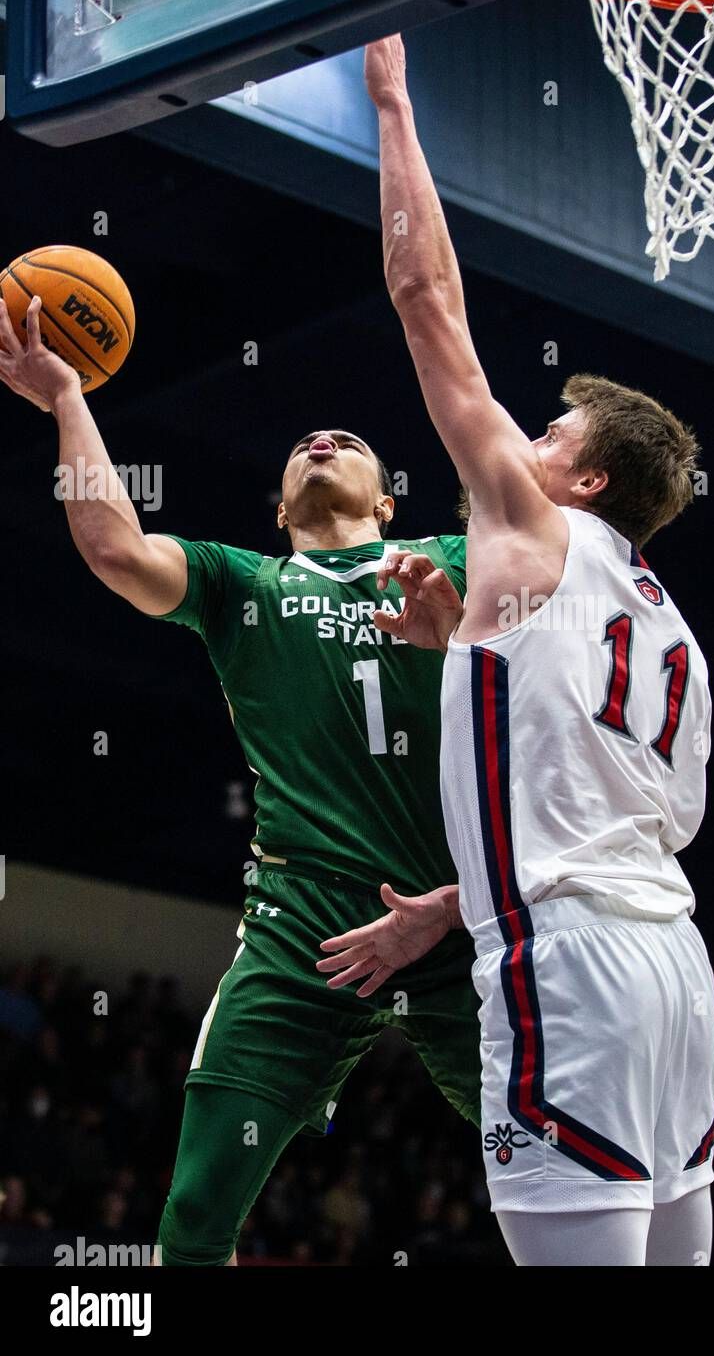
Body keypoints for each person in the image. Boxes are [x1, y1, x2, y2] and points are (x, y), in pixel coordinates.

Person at [315, 35, 714, 1267]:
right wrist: (465, 650)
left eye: (548, 430)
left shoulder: (531, 520)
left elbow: (425, 301)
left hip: (573, 978)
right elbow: (621, 821)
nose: (522, 438)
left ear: (584, 477)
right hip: (676, 975)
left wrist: (389, 98)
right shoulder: (673, 633)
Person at [0, 293, 481, 1266]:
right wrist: (64, 397)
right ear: (277, 511)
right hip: (303, 926)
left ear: (389, 502)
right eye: (303, 441)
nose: (319, 438)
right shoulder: (245, 584)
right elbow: (115, 549)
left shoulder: (452, 560)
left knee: (566, 1159)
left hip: (462, 917)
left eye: (343, 439)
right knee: (195, 1212)